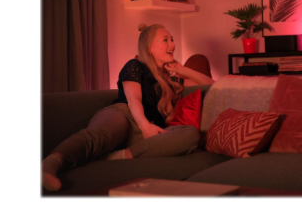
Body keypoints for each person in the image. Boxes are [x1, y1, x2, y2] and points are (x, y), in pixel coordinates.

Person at [41, 23, 214, 191]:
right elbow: (133, 100)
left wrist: (183, 70)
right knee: (100, 135)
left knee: (190, 133)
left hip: (145, 133)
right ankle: (51, 164)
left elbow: (213, 85)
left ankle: (118, 156)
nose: (172, 44)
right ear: (149, 47)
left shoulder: (172, 79)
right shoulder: (135, 66)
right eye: (165, 40)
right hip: (125, 115)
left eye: (172, 39)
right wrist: (144, 125)